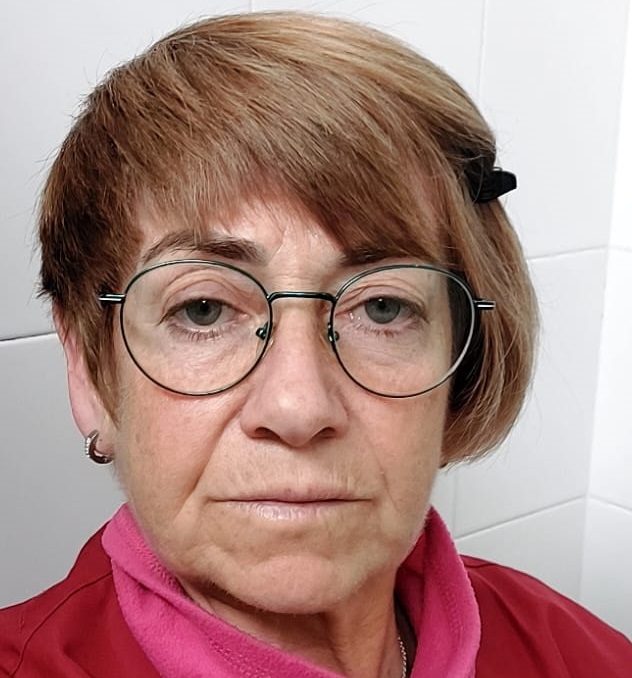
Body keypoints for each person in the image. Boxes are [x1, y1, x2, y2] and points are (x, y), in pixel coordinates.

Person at [0, 11, 630, 678]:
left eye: (383, 308)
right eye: (203, 309)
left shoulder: (576, 653)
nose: (299, 407)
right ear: (89, 371)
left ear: (461, 372)